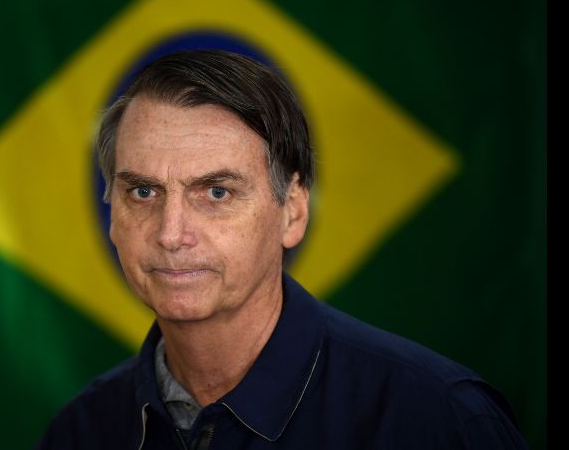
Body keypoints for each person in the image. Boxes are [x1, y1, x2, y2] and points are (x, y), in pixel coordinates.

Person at [37, 50, 527, 449]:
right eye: (143, 192)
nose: (170, 233)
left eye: (216, 193)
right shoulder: (81, 432)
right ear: (112, 213)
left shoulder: (438, 420)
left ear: (292, 211)